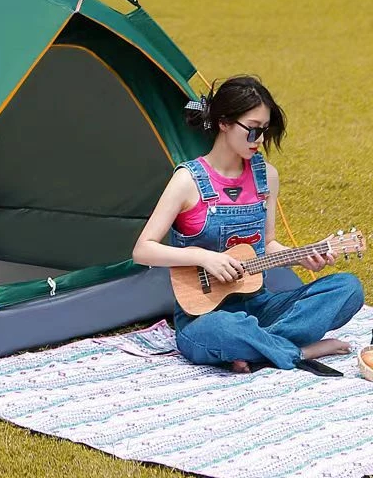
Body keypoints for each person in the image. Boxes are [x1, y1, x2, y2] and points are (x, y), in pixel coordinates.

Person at [133, 75, 364, 373]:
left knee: (347, 288)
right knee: (220, 328)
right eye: (253, 131)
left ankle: (259, 348)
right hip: (204, 317)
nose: (261, 141)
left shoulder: (266, 176)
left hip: (260, 306)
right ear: (224, 123)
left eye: (265, 132)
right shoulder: (187, 180)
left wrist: (301, 256)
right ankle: (299, 351)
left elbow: (267, 243)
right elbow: (143, 250)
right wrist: (203, 256)